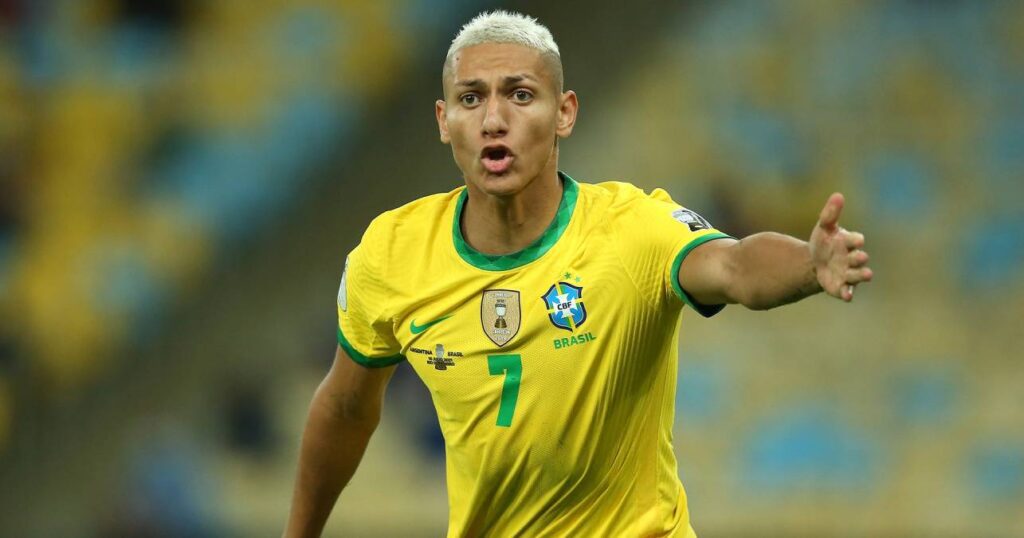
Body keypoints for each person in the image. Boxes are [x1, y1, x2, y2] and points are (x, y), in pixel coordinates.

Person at [283, 10, 872, 538]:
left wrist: (808, 262)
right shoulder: (392, 253)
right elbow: (344, 408)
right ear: (444, 120)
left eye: (520, 95)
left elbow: (736, 266)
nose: (494, 119)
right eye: (471, 99)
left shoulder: (632, 231)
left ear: (564, 112)